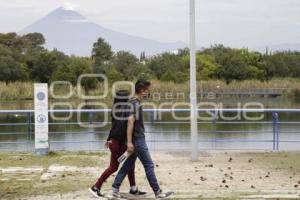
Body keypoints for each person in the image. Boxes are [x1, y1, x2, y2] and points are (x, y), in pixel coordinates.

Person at [107, 80, 173, 199]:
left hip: (136, 140)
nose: (149, 92)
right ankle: (158, 192)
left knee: (127, 165)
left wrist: (130, 142)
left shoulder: (132, 102)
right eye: (147, 90)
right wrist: (130, 143)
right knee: (149, 165)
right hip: (138, 140)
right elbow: (130, 122)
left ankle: (114, 189)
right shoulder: (135, 104)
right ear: (142, 90)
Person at [89, 90, 146, 198]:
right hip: (116, 143)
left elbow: (114, 129)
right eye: (127, 98)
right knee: (113, 167)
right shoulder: (123, 111)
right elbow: (119, 130)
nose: (129, 100)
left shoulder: (116, 109)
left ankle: (133, 189)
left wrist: (109, 139)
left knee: (130, 164)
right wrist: (126, 143)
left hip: (115, 141)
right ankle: (95, 187)